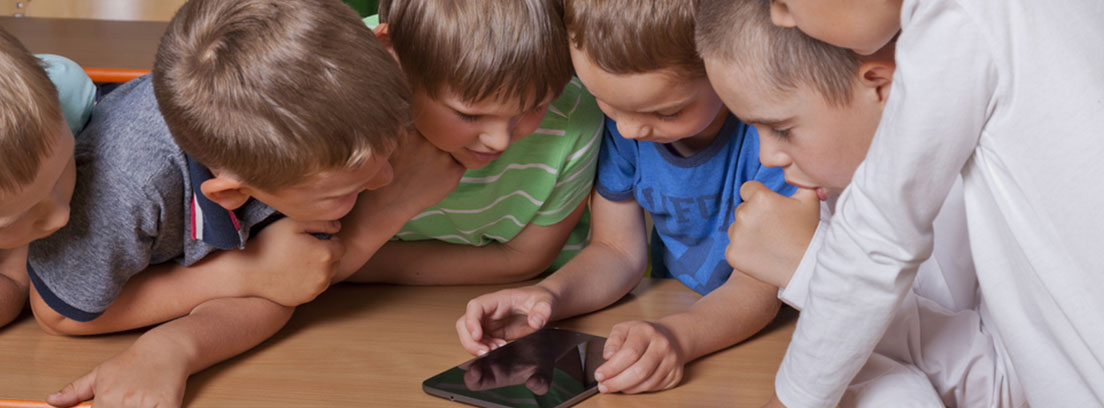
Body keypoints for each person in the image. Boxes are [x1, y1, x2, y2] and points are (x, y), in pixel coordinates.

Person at [32, 0, 463, 406]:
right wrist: (246, 272)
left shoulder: (311, 145)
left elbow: (287, 286)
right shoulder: (127, 182)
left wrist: (180, 343)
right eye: (343, 192)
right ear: (233, 192)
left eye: (388, 154)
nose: (385, 180)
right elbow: (59, 314)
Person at [725, 0, 1104, 406]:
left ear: (883, 86)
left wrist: (792, 398)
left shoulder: (967, 18)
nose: (781, 14)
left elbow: (877, 242)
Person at [456, 0, 793, 395]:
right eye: (608, 104)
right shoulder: (628, 123)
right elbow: (617, 250)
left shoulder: (775, 140)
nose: (630, 130)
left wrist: (679, 337)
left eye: (667, 112)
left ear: (729, 65)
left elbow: (757, 287)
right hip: (683, 323)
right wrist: (547, 297)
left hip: (780, 344)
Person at [344, 0, 603, 285]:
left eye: (533, 108)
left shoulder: (573, 113)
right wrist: (395, 204)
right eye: (470, 115)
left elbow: (523, 261)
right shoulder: (331, 81)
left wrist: (342, 263)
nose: (500, 141)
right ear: (392, 54)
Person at [0, 27, 95, 328]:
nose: (61, 218)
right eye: (18, 217)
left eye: (63, 166)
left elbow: (16, 279)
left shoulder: (65, 93)